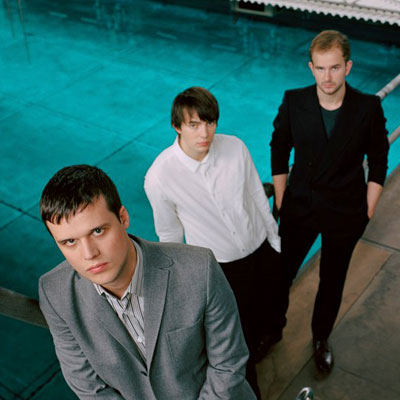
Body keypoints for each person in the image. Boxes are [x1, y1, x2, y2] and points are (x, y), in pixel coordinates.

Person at [39, 165, 256, 400]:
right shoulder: (54, 293)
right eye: (70, 242)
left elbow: (227, 365)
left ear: (123, 218)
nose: (89, 254)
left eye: (98, 231)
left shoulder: (199, 268)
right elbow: (90, 388)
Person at [144, 86, 283, 398]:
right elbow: (170, 237)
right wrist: (182, 288)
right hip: (221, 269)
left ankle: (271, 335)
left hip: (261, 250)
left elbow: (256, 195)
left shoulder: (235, 147)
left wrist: (274, 242)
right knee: (236, 341)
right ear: (177, 126)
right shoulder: (159, 177)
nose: (204, 133)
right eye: (194, 125)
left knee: (268, 310)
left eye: (209, 123)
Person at [270, 30, 389, 373]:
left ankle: (321, 338)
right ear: (311, 67)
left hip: (345, 211)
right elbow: (279, 149)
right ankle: (272, 330)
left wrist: (369, 208)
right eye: (320, 68)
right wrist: (282, 200)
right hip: (300, 207)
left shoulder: (367, 108)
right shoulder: (294, 101)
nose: (327, 77)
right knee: (281, 275)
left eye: (335, 68)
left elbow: (379, 159)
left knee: (332, 280)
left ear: (348, 67)